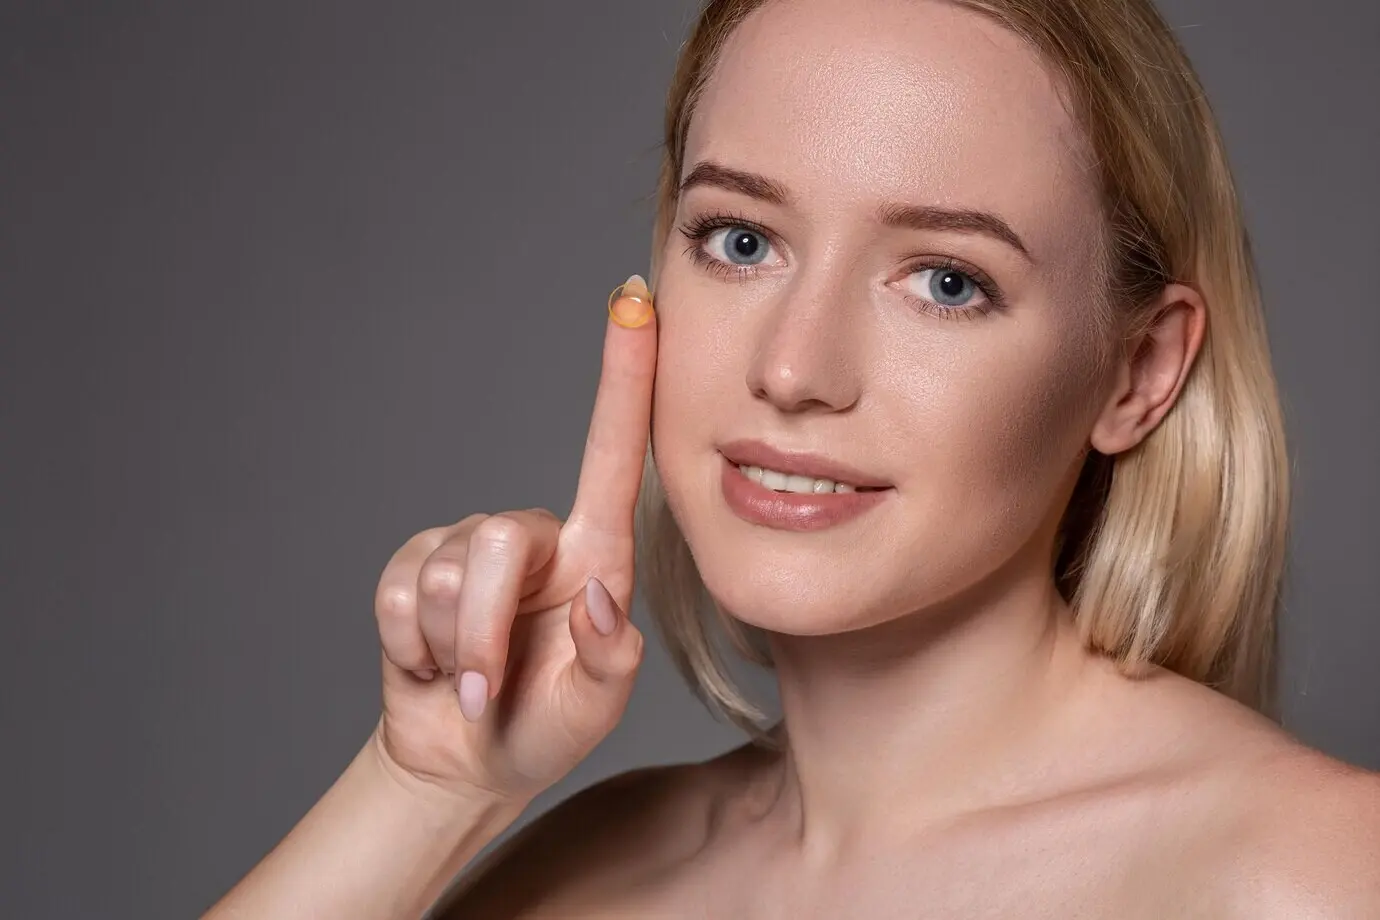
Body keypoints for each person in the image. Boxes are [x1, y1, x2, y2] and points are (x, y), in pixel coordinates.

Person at [204, 0, 1380, 917]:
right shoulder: (574, 877)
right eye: (742, 239)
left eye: (947, 280)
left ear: (1139, 371)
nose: (794, 367)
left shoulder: (1320, 871)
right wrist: (427, 787)